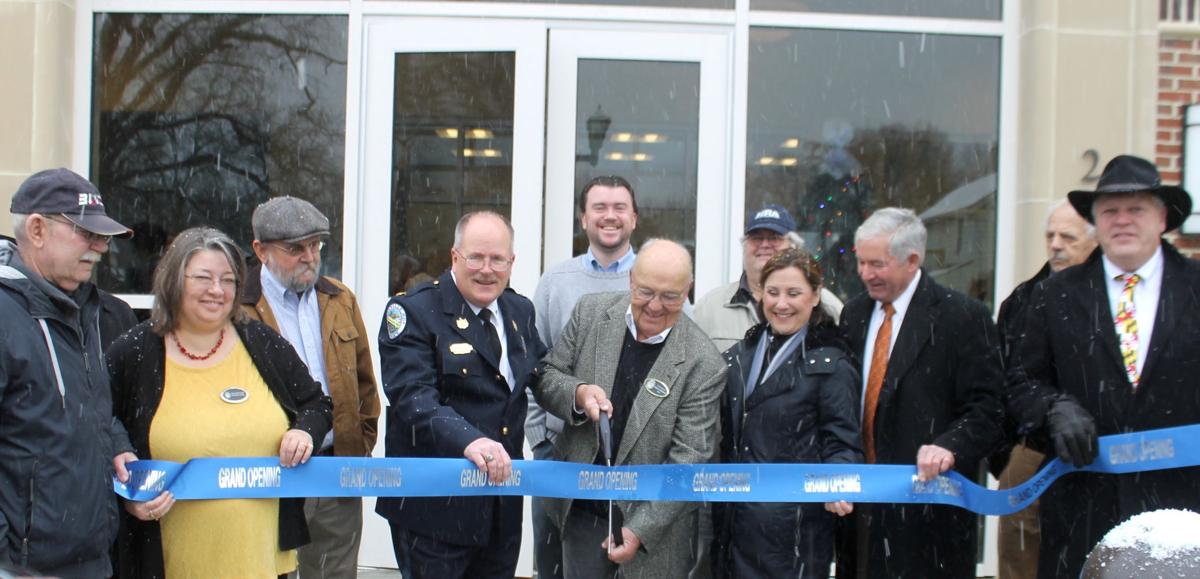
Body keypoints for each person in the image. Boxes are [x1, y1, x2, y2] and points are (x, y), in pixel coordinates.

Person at [1005, 154, 1200, 579]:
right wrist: (1054, 407)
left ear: (1162, 217)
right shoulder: (1054, 295)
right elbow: (1021, 383)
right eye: (1110, 210)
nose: (1123, 220)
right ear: (1095, 221)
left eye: (1137, 209)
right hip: (1082, 505)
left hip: (1183, 509)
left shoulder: (1196, 287)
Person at [107, 226, 332, 578]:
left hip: (260, 560)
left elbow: (317, 405)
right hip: (166, 559)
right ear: (174, 280)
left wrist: (304, 432)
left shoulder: (261, 342)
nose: (217, 290)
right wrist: (127, 494)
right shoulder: (135, 351)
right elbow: (96, 420)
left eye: (228, 280)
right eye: (203, 278)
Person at [534, 239, 726, 579]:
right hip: (582, 514)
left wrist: (640, 529)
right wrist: (577, 394)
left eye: (670, 296)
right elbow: (547, 377)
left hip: (657, 532)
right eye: (646, 292)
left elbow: (690, 460)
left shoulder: (704, 362)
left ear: (688, 290)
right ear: (630, 280)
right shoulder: (590, 313)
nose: (655, 306)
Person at [375, 211, 547, 579]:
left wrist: (579, 395)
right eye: (476, 257)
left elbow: (540, 373)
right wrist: (472, 441)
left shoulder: (519, 310)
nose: (487, 269)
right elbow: (413, 398)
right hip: (434, 512)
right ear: (455, 257)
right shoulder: (412, 311)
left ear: (511, 262)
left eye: (498, 259)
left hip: (500, 508)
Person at [836, 207, 1005, 579]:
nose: (865, 273)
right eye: (861, 262)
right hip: (861, 505)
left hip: (928, 511)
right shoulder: (855, 314)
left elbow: (989, 407)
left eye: (876, 264)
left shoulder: (962, 317)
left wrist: (950, 445)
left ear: (913, 260)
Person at [0, 168, 134, 578]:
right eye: (86, 233)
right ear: (37, 229)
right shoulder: (7, 313)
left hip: (89, 558)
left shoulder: (83, 307)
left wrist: (115, 446)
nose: (100, 248)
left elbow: (86, 408)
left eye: (104, 237)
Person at [242, 196, 381, 579]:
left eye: (315, 245)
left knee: (334, 573)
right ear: (261, 250)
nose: (309, 256)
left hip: (337, 471)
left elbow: (365, 384)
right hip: (270, 477)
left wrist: (358, 445)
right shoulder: (238, 307)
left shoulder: (339, 298)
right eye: (294, 248)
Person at [713, 247, 862, 579]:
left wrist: (839, 481)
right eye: (773, 292)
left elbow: (843, 442)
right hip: (733, 527)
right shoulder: (740, 355)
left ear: (815, 295)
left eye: (794, 293)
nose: (782, 304)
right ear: (760, 294)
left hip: (793, 534)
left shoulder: (831, 364)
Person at [528, 175, 639, 579]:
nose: (610, 217)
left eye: (619, 208)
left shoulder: (656, 279)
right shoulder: (556, 283)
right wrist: (541, 440)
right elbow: (534, 367)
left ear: (634, 219)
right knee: (556, 565)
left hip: (636, 464)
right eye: (599, 208)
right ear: (583, 219)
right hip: (560, 458)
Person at [991, 199, 1096, 579]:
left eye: (1068, 236)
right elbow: (1004, 377)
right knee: (1021, 557)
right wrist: (1005, 455)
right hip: (1033, 449)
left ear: (1095, 241)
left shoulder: (1113, 299)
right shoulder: (1022, 299)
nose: (1055, 244)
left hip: (1102, 448)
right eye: (1050, 235)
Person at [694, 204, 844, 353]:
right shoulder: (709, 307)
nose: (764, 245)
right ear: (743, 246)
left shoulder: (827, 306)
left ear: (794, 247)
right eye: (756, 238)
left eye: (775, 238)